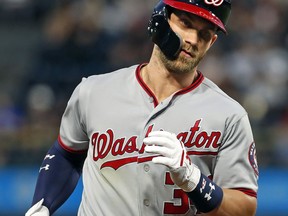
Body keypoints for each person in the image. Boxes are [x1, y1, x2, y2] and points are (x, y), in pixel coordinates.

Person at [26, 0, 259, 215]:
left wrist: (194, 181)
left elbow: (245, 206)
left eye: (204, 34)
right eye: (186, 23)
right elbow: (67, 154)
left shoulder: (229, 115)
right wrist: (43, 203)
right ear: (159, 20)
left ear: (212, 42)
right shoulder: (94, 91)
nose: (193, 40)